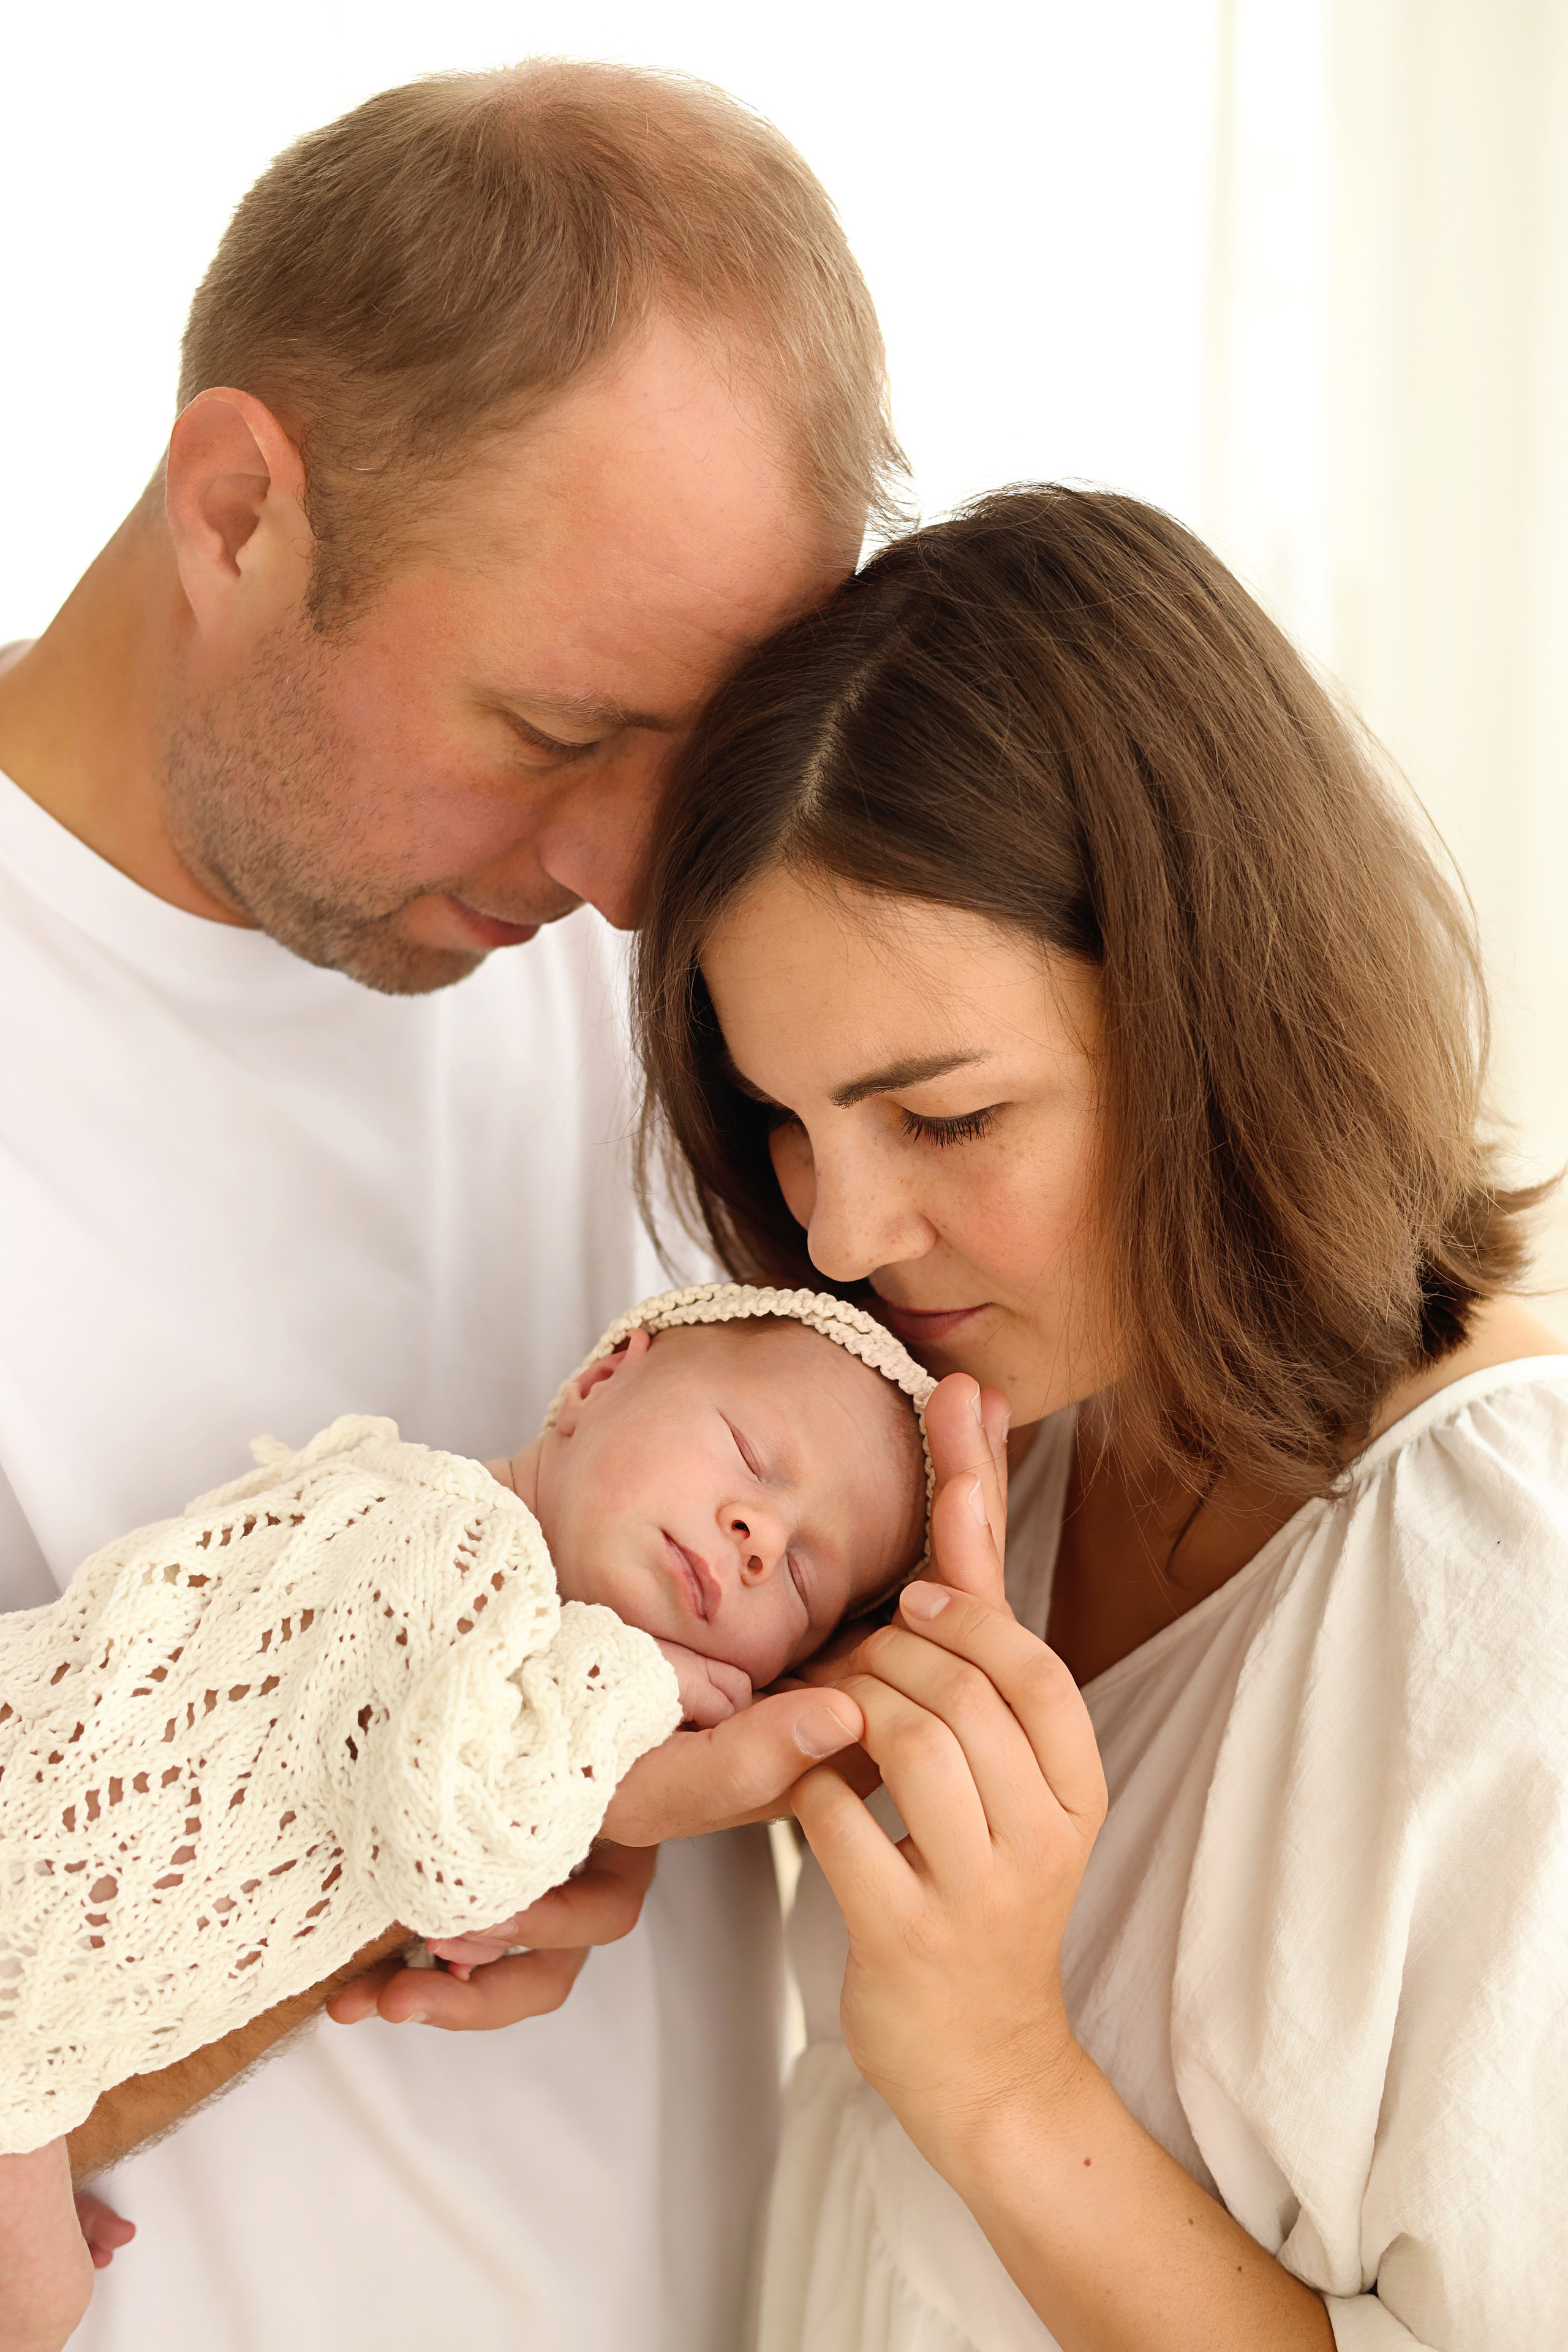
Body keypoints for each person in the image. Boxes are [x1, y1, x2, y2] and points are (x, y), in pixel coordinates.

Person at [0, 59, 889, 2352]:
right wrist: (415, 1860)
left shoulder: (737, 1005)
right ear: (236, 511)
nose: (619, 881)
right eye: (553, 730)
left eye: (686, 777)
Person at [635, 485, 1568, 2349]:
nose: (838, 1230)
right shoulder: (992, 1434)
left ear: (1228, 1018)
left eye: (949, 1119)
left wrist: (999, 2073)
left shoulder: (1506, 1613)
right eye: (786, 1122)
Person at [0, 1284, 933, 2166]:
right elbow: (448, 1857)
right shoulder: (451, 1546)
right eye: (747, 1453)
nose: (762, 1537)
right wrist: (635, 1686)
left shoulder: (499, 1618)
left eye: (806, 1579)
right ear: (601, 1381)